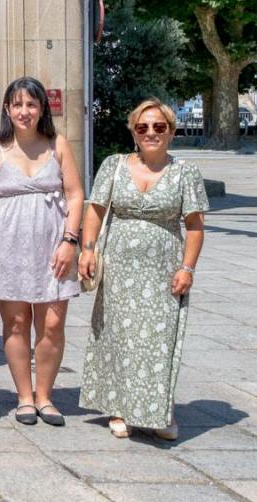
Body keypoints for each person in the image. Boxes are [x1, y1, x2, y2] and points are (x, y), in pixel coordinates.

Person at [79, 100, 207, 441]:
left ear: (171, 132)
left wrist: (187, 268)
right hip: (119, 266)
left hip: (163, 268)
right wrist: (87, 250)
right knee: (118, 335)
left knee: (159, 339)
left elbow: (195, 226)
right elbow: (95, 210)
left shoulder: (186, 173)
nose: (151, 133)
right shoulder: (114, 165)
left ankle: (158, 410)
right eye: (143, 127)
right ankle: (120, 407)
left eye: (159, 127)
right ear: (134, 133)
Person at [0, 77, 85, 427]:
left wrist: (70, 241)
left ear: (42, 109)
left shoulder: (57, 144)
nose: (25, 111)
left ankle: (45, 396)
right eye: (18, 104)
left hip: (54, 245)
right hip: (4, 247)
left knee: (52, 324)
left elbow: (75, 195)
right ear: (7, 109)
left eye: (31, 104)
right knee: (16, 322)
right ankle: (24, 396)